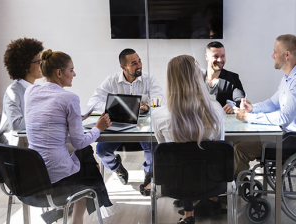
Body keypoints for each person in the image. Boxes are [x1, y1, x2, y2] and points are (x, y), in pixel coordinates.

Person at [23, 49, 113, 224]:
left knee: (85, 159)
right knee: (86, 156)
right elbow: (79, 143)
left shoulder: (31, 92)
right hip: (57, 177)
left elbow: (46, 121)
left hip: (34, 173)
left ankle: (66, 212)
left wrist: (72, 120)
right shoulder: (69, 98)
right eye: (71, 70)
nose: (74, 74)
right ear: (59, 73)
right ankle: (78, 218)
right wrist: (98, 128)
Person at [234, 34, 296, 180]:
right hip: (285, 134)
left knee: (240, 149)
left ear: (287, 55)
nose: (272, 55)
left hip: (294, 139)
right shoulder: (288, 78)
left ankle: (237, 192)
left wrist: (249, 118)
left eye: (275, 51)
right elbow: (273, 103)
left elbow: (284, 118)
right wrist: (252, 108)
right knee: (234, 140)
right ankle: (229, 185)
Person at [151, 55, 225, 224]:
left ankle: (188, 213)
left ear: (170, 79)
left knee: (181, 161)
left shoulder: (158, 115)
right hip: (212, 182)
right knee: (196, 160)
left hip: (174, 183)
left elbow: (165, 150)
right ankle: (189, 212)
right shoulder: (216, 110)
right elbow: (219, 145)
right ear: (198, 77)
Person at [87, 48, 164, 193]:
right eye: (134, 63)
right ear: (123, 67)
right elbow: (93, 102)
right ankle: (117, 167)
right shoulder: (112, 80)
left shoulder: (150, 79)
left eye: (139, 60)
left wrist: (148, 106)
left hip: (142, 127)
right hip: (118, 125)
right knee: (101, 150)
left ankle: (149, 174)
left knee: (153, 147)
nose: (139, 65)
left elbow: (159, 102)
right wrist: (116, 107)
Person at [0, 37, 44, 146]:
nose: (42, 65)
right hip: (16, 148)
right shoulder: (13, 92)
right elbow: (16, 124)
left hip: (31, 142)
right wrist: (45, 119)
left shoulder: (36, 89)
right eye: (39, 62)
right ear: (25, 66)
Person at [202, 41, 245, 114]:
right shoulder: (196, 78)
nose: (220, 60)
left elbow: (240, 100)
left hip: (224, 122)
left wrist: (233, 106)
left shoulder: (232, 78)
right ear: (207, 57)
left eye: (222, 56)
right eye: (216, 56)